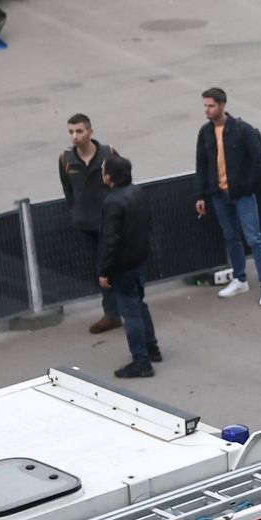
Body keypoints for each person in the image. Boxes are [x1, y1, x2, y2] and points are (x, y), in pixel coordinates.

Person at [192, 88, 261, 307]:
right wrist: (201, 194)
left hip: (241, 194)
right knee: (231, 236)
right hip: (219, 194)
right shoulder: (205, 133)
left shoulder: (242, 130)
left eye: (211, 106)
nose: (207, 110)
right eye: (205, 106)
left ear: (222, 105)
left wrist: (247, 187)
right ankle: (240, 279)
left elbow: (258, 161)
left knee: (254, 238)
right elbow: (202, 164)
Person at [95, 155, 158, 380]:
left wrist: (104, 270)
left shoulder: (112, 202)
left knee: (129, 311)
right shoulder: (137, 193)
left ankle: (141, 361)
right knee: (139, 304)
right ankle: (151, 348)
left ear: (109, 176)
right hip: (138, 260)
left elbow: (110, 240)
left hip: (123, 266)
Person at [59, 114, 121, 336]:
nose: (75, 136)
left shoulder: (108, 154)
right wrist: (76, 212)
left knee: (118, 265)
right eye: (71, 132)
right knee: (100, 269)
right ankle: (111, 313)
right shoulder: (66, 159)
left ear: (90, 132)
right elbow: (68, 191)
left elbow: (123, 182)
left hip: (110, 222)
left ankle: (129, 309)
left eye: (79, 131)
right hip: (86, 225)